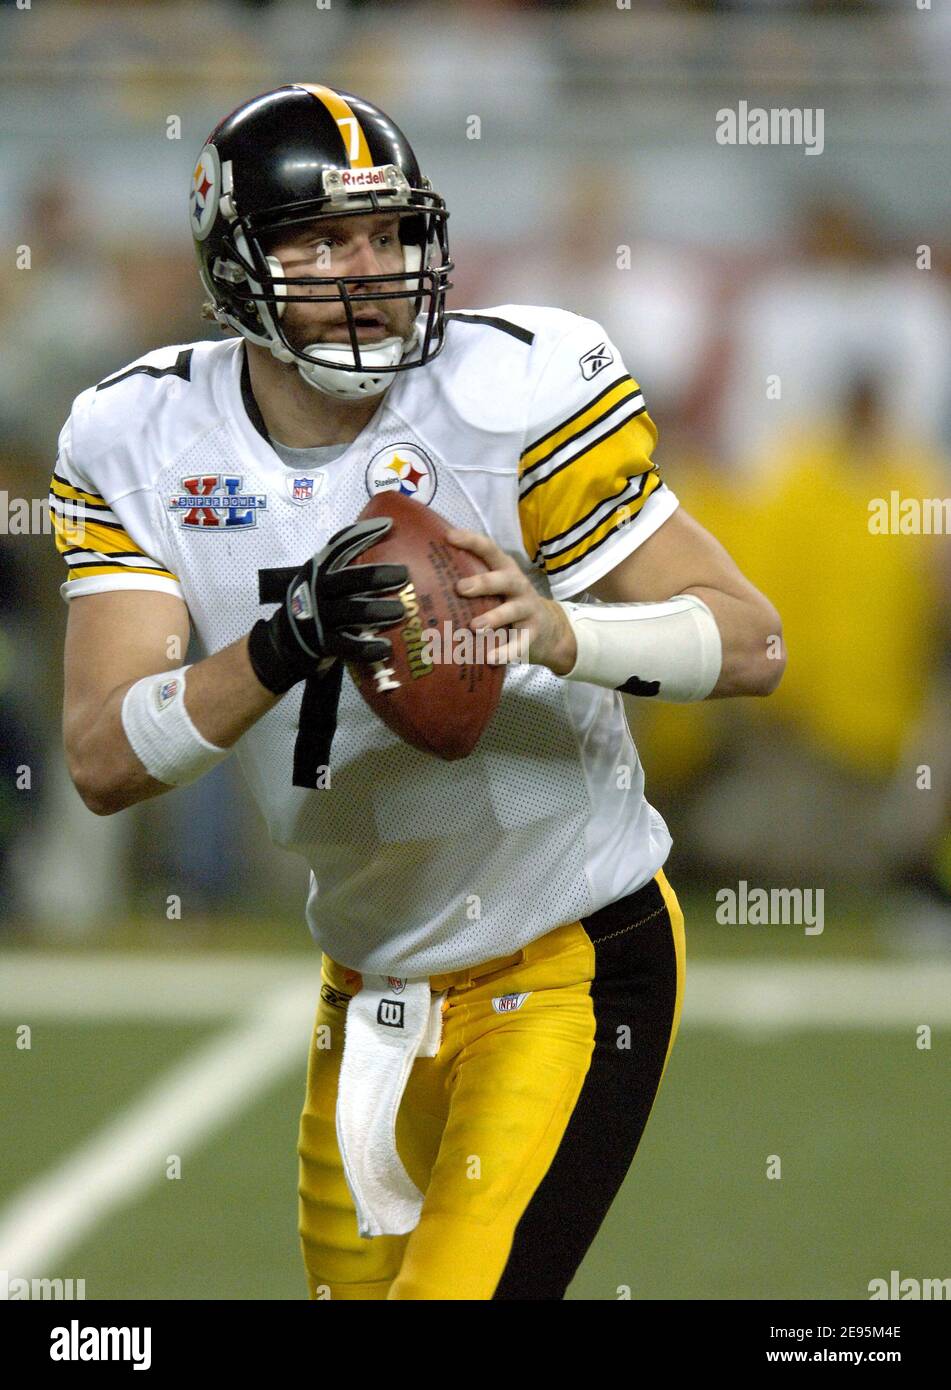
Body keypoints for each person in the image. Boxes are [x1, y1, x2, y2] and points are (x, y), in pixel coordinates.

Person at [50, 83, 785, 1300]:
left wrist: (560, 632)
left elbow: (752, 644)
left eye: (389, 234)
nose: (370, 268)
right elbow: (103, 760)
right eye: (325, 239)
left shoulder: (515, 389)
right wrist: (285, 645)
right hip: (368, 980)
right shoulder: (137, 437)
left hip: (567, 953)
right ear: (238, 266)